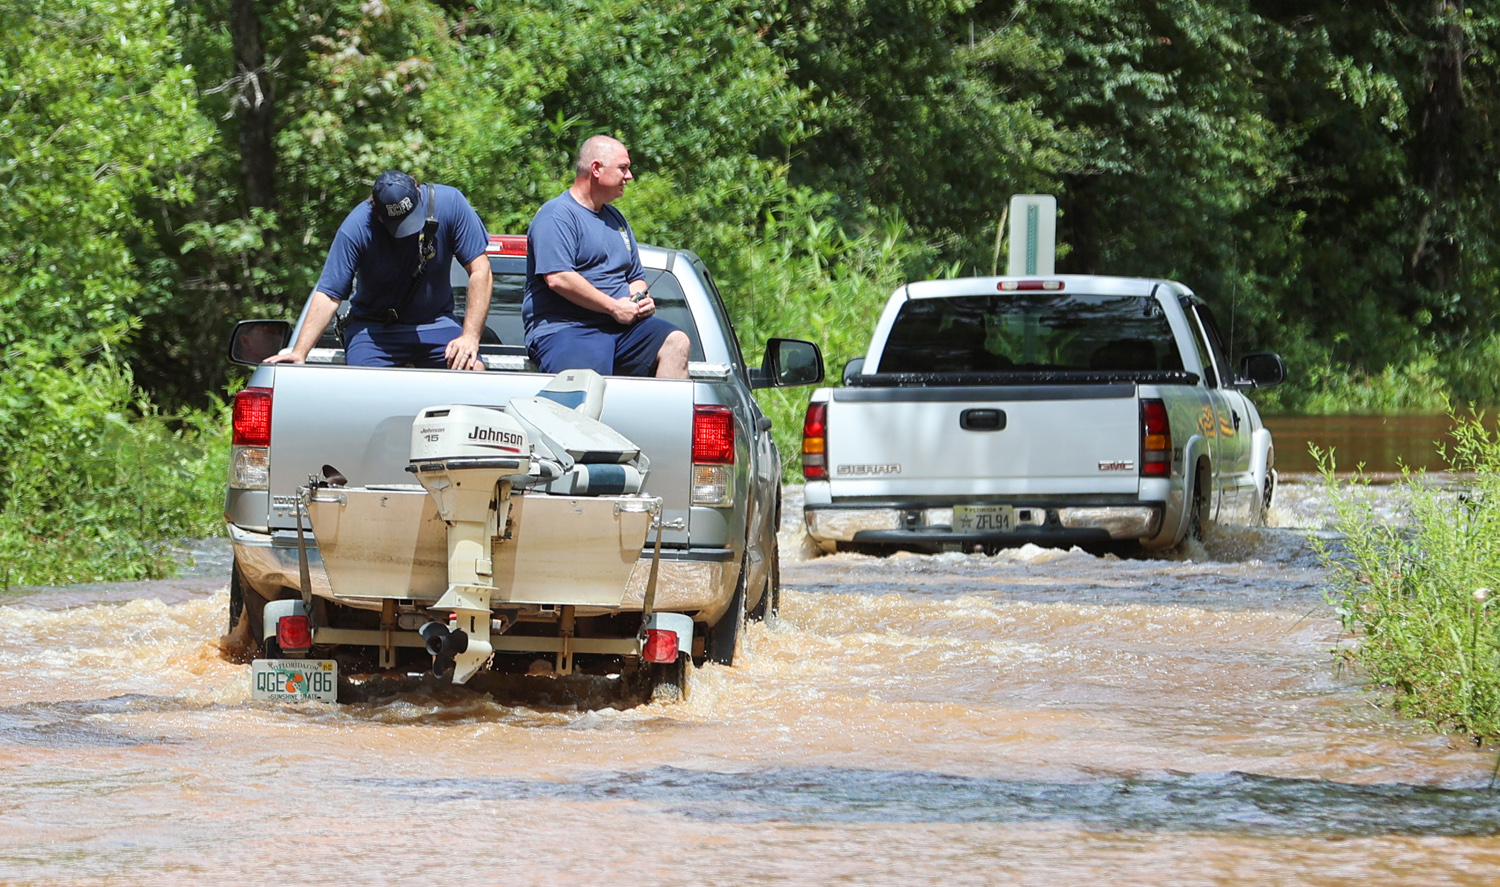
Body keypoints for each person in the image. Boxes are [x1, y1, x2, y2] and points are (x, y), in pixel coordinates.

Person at [268, 170, 492, 369]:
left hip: (435, 323)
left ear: (418, 193)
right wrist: (299, 352)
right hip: (375, 330)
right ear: (377, 213)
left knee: (472, 368)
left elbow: (481, 270)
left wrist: (470, 337)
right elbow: (329, 294)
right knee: (366, 387)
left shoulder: (450, 203)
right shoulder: (357, 227)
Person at [522, 136, 690, 378]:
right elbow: (558, 278)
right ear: (596, 169)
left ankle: (665, 404)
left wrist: (640, 300)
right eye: (623, 168)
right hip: (569, 330)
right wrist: (613, 307)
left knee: (676, 342)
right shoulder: (557, 215)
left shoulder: (616, 220)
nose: (629, 176)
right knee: (587, 381)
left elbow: (635, 277)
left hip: (621, 330)